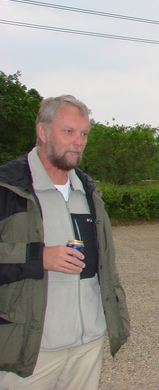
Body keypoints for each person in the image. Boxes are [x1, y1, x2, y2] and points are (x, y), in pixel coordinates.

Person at [0, 95, 130, 389]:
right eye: (68, 131)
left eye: (84, 133)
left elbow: (106, 265)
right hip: (31, 349)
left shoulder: (88, 191)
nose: (78, 142)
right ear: (42, 132)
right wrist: (38, 258)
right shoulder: (8, 187)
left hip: (87, 346)